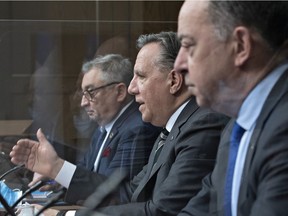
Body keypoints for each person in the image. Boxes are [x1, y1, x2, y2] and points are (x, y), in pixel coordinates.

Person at [10, 31, 229, 216]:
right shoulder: (171, 129)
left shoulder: (201, 125)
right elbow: (131, 192)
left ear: (173, 81)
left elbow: (161, 211)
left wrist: (67, 215)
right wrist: (56, 169)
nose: (133, 88)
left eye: (140, 77)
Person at [174, 1, 288, 216]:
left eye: (189, 46)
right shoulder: (236, 128)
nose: (178, 64)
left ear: (241, 45)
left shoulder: (283, 129)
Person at [29, 54, 162, 201]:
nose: (83, 103)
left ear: (120, 92)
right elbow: (87, 173)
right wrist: (60, 182)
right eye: (83, 93)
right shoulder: (102, 129)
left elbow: (117, 194)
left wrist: (57, 167)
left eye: (90, 92)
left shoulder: (137, 129)